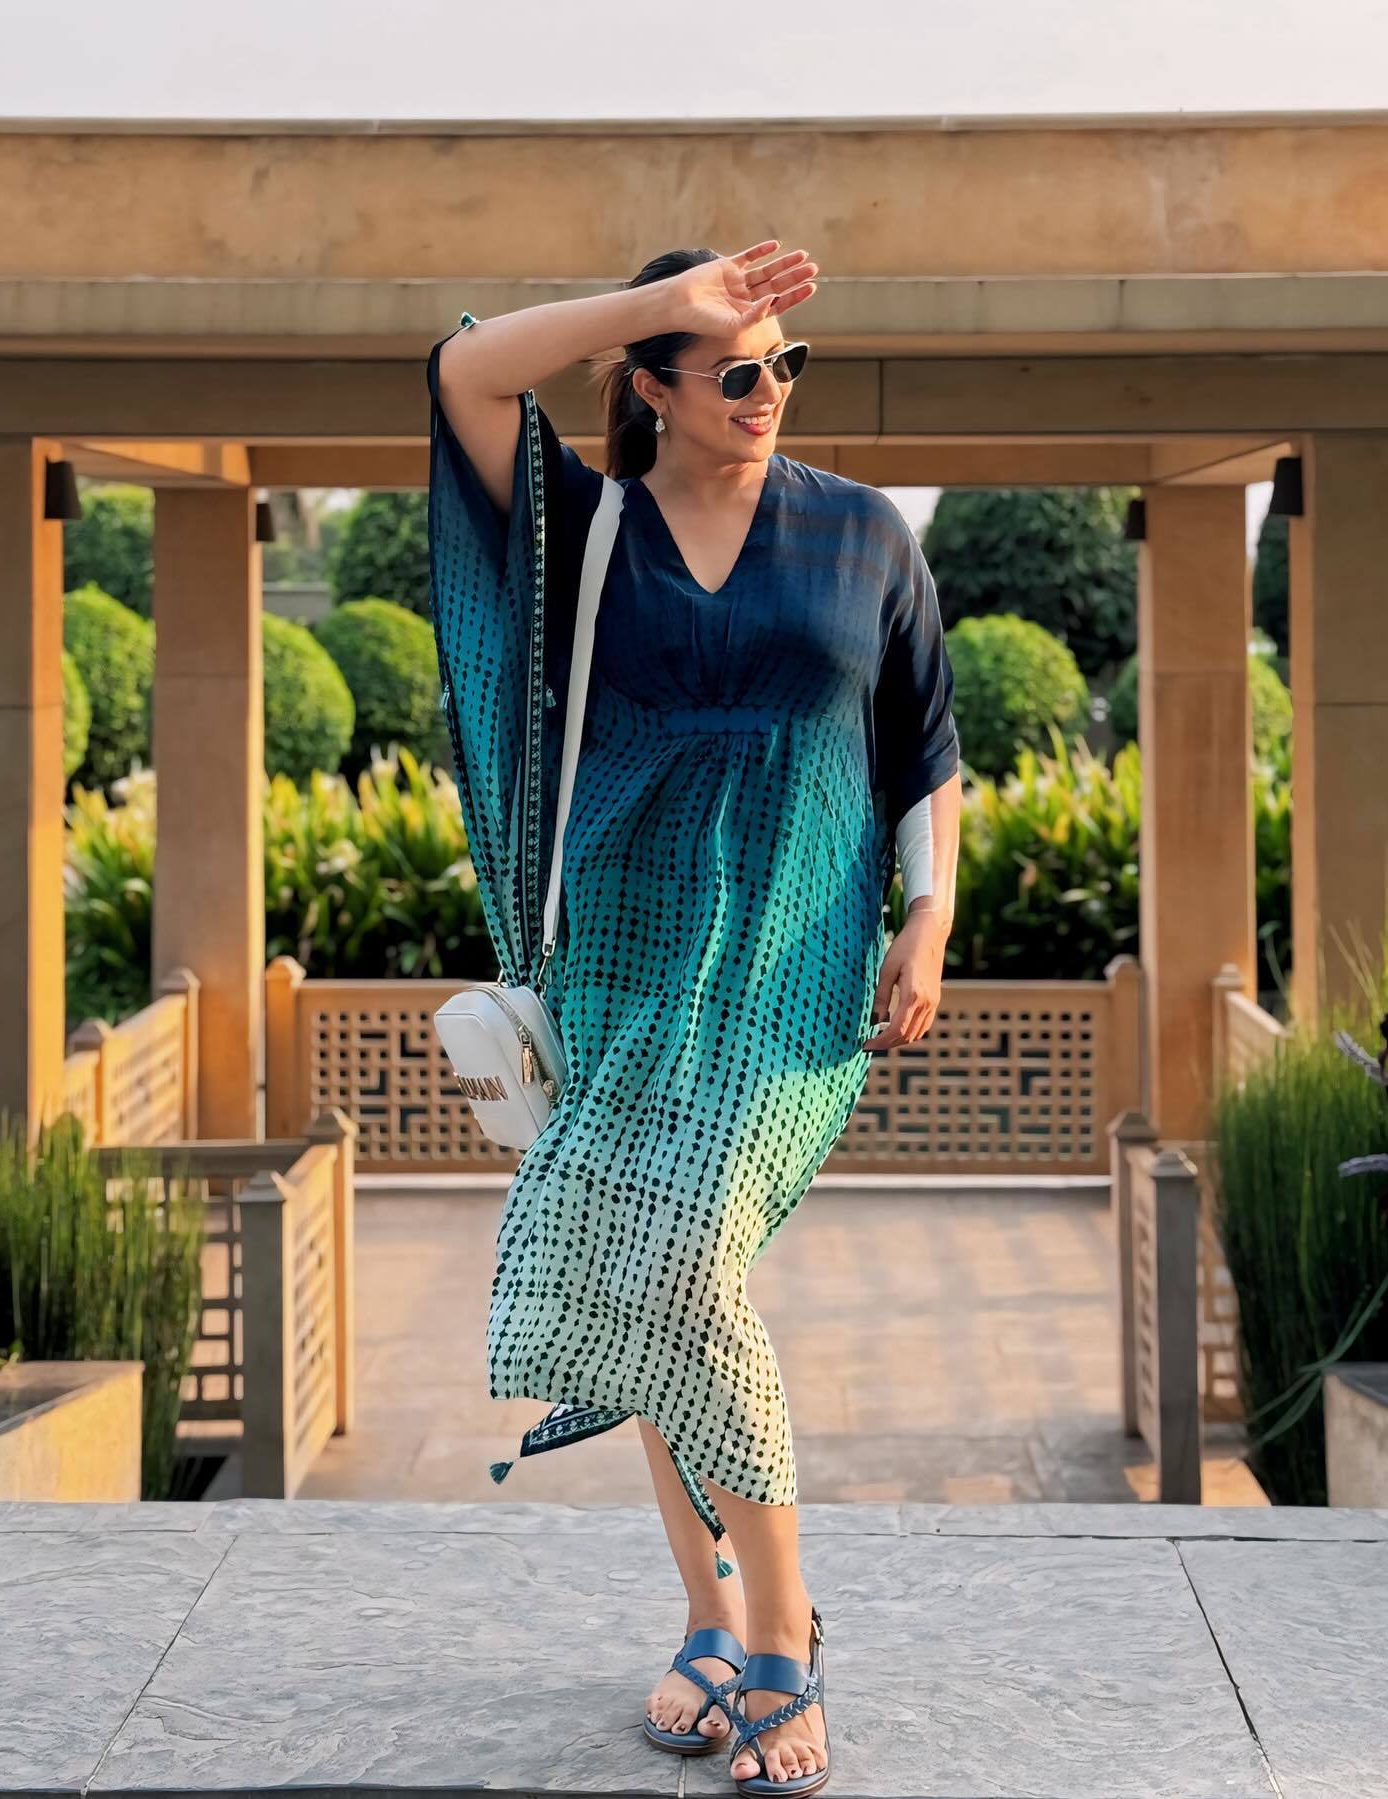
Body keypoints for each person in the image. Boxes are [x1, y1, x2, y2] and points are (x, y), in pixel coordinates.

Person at [425, 239, 961, 1795]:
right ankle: (714, 1620)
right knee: (657, 1264)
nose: (768, 388)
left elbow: (924, 749)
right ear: (651, 384)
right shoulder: (582, 530)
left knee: (676, 1252)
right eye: (733, 367)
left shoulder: (861, 533)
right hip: (626, 961)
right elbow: (465, 372)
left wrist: (928, 916)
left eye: (785, 362)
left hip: (793, 967)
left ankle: (782, 1635)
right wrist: (668, 301)